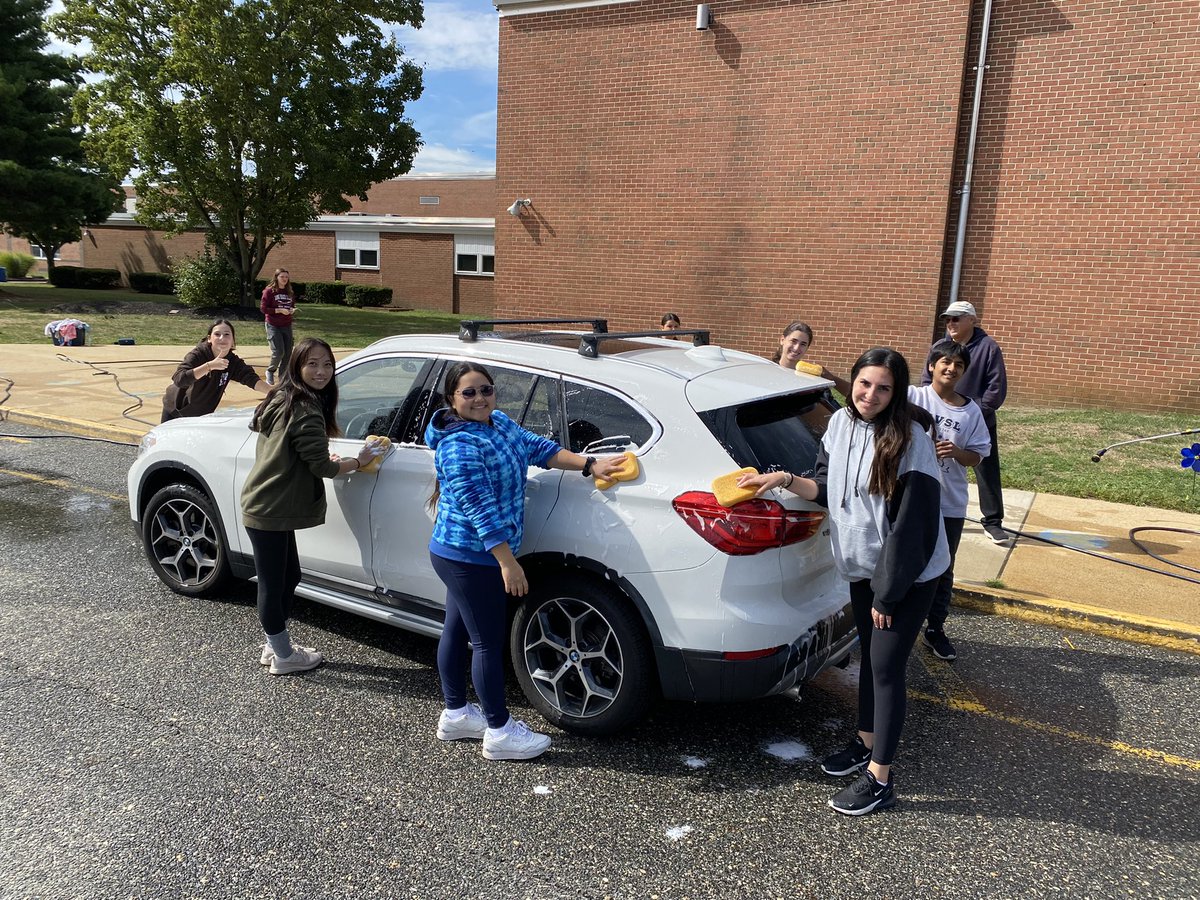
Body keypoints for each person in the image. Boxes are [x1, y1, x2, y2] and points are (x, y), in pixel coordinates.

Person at [737, 347, 949, 815]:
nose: (870, 394)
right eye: (864, 383)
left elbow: (912, 531)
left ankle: (881, 778)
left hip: (906, 576)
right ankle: (866, 741)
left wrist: (888, 595)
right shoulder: (839, 424)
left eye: (884, 388)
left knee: (888, 668)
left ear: (896, 394)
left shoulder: (910, 441)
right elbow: (826, 485)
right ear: (851, 382)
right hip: (860, 566)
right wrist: (784, 479)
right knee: (872, 666)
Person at [425, 362, 625, 761]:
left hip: (463, 553)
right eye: (469, 393)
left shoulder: (498, 423)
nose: (480, 398)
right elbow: (477, 506)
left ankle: (456, 714)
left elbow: (539, 449)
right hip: (471, 555)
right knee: (486, 642)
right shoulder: (458, 445)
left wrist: (589, 464)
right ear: (452, 399)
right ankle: (499, 732)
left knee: (457, 628)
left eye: (486, 389)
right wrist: (506, 562)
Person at [240, 338, 382, 675]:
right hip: (270, 506)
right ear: (297, 366)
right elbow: (322, 467)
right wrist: (357, 461)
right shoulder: (305, 406)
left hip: (267, 502)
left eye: (327, 365)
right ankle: (284, 655)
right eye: (313, 364)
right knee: (274, 584)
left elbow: (296, 451)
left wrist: (314, 455)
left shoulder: (284, 397)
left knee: (290, 576)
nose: (321, 371)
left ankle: (274, 646)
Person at [908, 340, 991, 662]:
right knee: (903, 559)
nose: (951, 368)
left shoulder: (970, 412)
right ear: (931, 366)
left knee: (943, 568)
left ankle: (935, 629)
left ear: (964, 371)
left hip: (949, 503)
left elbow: (978, 457)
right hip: (911, 497)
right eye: (945, 361)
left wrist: (957, 453)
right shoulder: (915, 397)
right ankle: (896, 618)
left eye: (958, 364)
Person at [924, 300, 1009, 545]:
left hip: (977, 420)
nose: (951, 323)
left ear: (972, 320)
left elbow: (996, 388)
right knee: (936, 464)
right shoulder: (940, 346)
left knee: (985, 469)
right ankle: (934, 508)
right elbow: (925, 379)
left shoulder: (988, 347)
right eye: (948, 319)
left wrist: (973, 413)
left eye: (956, 318)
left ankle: (993, 522)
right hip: (939, 419)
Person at [161, 319, 269, 423]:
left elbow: (250, 378)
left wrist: (272, 391)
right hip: (175, 411)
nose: (222, 338)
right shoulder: (198, 355)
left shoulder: (233, 362)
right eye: (217, 334)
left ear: (233, 340)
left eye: (227, 334)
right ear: (209, 338)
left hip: (201, 415)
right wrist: (209, 366)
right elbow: (179, 379)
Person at [770, 320, 851, 395]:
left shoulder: (810, 378)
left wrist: (831, 378)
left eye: (803, 344)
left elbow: (852, 393)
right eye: (793, 341)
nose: (796, 348)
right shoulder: (768, 371)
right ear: (782, 340)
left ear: (807, 347)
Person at [261, 268, 296, 386]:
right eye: (282, 277)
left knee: (288, 352)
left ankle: (283, 378)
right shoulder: (269, 291)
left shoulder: (289, 292)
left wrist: (291, 310)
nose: (285, 279)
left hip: (286, 324)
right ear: (276, 277)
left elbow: (292, 305)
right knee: (278, 351)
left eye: (286, 277)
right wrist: (279, 310)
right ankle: (270, 371)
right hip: (273, 324)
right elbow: (264, 309)